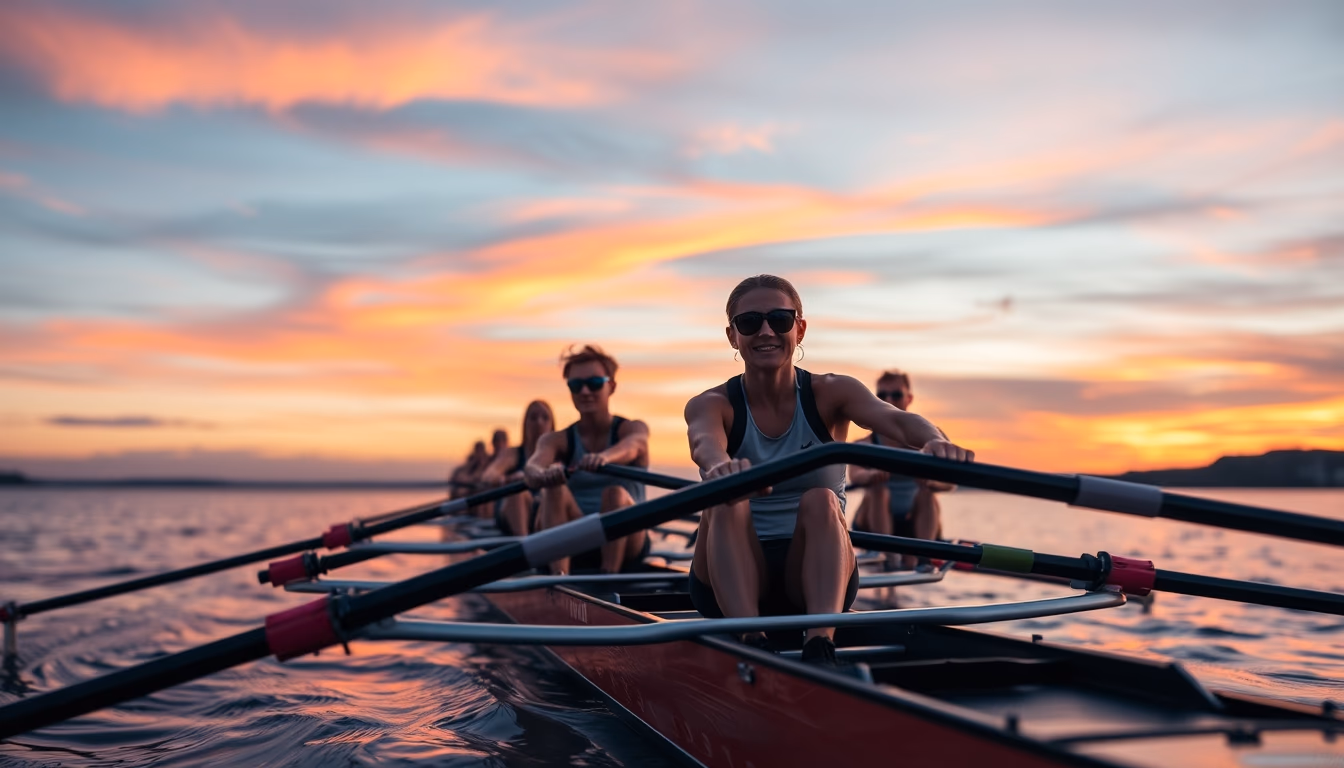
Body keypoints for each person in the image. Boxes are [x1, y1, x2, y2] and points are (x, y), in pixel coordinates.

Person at [683, 274, 974, 665]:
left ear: (799, 328)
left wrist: (933, 440)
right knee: (727, 496)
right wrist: (720, 468)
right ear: (733, 335)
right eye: (749, 322)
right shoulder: (711, 403)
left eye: (780, 320)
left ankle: (820, 643)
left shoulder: (834, 393)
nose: (766, 331)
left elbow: (899, 421)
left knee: (821, 499)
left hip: (814, 574)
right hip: (726, 576)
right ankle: (749, 639)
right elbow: (705, 445)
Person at [525, 345, 650, 574]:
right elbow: (532, 468)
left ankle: (608, 577)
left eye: (593, 383)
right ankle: (559, 580)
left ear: (611, 386)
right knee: (554, 489)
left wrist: (603, 458)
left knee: (615, 494)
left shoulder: (632, 429)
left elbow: (632, 447)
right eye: (575, 385)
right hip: (574, 539)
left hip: (628, 542)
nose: (584, 391)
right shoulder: (556, 440)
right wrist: (543, 475)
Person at [849, 370, 956, 571]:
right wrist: (870, 475)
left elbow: (950, 483)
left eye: (896, 395)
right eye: (881, 396)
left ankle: (923, 558)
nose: (889, 400)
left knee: (927, 493)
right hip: (873, 521)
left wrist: (933, 483)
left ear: (909, 398)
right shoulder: (866, 444)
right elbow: (854, 475)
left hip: (915, 521)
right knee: (878, 490)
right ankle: (889, 559)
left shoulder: (931, 440)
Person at [479, 400, 556, 537]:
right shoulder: (513, 454)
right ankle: (524, 546)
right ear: (525, 425)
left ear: (552, 425)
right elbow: (489, 475)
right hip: (511, 511)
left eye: (545, 418)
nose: (539, 423)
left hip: (543, 509)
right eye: (533, 418)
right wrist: (504, 478)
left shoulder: (559, 455)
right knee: (518, 494)